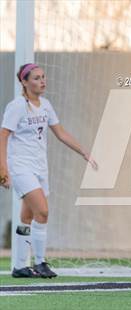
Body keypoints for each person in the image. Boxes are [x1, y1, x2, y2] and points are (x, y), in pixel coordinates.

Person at [0, 63, 98, 278]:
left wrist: (84, 152)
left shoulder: (45, 105)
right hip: (20, 167)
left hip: (40, 168)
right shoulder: (17, 106)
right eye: (36, 78)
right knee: (42, 212)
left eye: (43, 77)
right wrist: (3, 168)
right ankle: (41, 262)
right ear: (24, 82)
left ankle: (19, 267)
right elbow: (3, 135)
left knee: (27, 217)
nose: (42, 81)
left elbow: (61, 133)